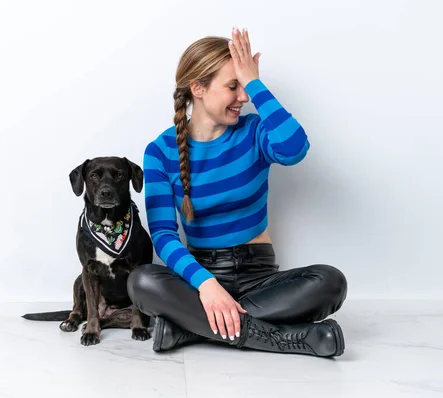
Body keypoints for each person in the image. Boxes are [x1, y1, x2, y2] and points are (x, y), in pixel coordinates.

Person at [127, 27, 348, 357]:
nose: (243, 97)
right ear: (198, 88)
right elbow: (162, 234)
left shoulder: (256, 131)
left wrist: (255, 82)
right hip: (198, 277)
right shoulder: (160, 151)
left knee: (330, 281)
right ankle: (290, 339)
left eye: (245, 86)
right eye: (234, 86)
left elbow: (295, 147)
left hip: (260, 278)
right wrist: (207, 285)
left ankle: (192, 328)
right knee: (142, 282)